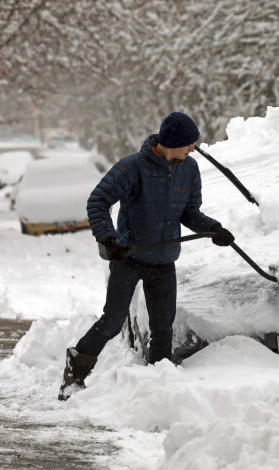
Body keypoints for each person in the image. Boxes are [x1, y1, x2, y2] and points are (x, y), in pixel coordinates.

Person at [58, 112, 234, 401]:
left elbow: (189, 213)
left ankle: (157, 391)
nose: (192, 150)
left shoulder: (189, 169)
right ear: (170, 142)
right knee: (113, 321)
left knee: (162, 328)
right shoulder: (133, 167)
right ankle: (74, 375)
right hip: (129, 257)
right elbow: (98, 201)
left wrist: (214, 229)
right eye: (187, 145)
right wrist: (108, 238)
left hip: (164, 261)